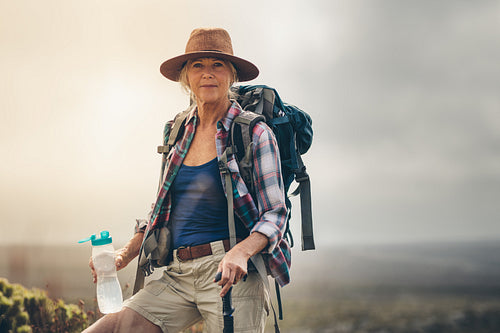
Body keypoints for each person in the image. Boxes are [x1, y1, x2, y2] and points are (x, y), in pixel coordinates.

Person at [83, 27, 291, 333]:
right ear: (186, 78)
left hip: (231, 275)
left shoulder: (255, 134)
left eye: (217, 65)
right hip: (178, 274)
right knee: (108, 329)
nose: (208, 74)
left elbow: (275, 214)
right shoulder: (177, 130)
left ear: (231, 75)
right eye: (198, 66)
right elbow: (161, 208)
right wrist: (124, 254)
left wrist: (240, 253)